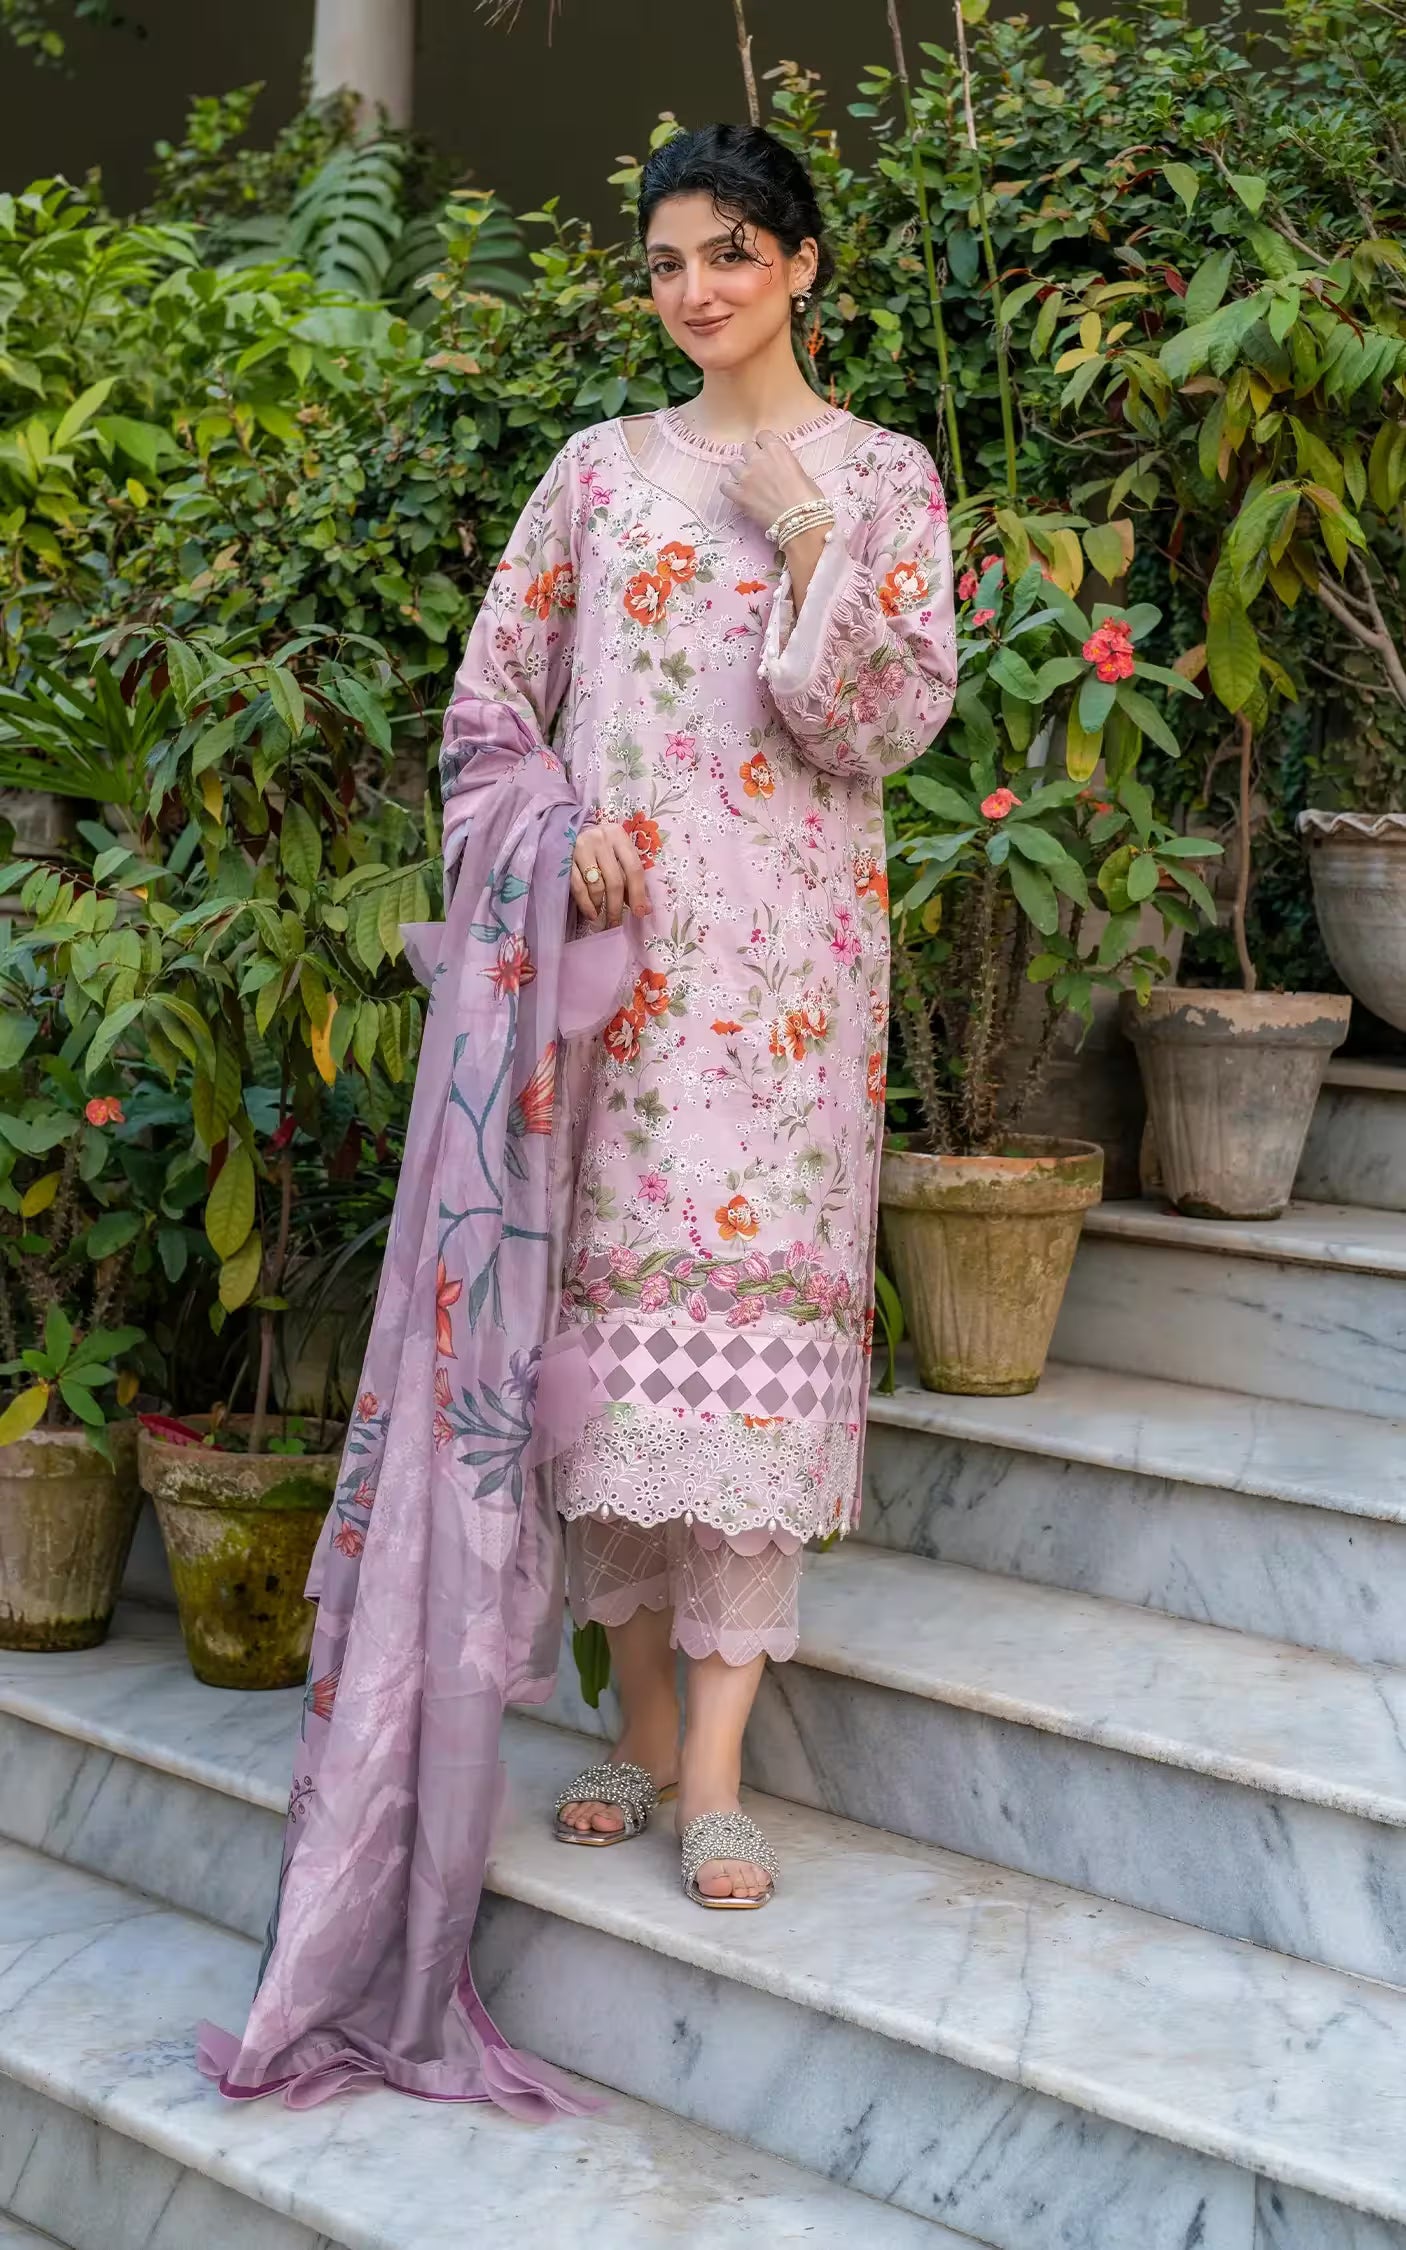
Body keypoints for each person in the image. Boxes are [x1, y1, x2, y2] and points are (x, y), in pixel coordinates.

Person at [443, 121, 957, 1909]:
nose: (695, 293)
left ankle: (719, 1769)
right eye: (666, 263)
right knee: (613, 1373)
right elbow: (490, 705)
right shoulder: (595, 472)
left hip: (793, 992)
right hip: (621, 988)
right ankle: (637, 1728)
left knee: (742, 1378)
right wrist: (559, 831)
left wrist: (807, 529)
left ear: (802, 264)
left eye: (731, 255)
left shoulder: (882, 477)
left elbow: (884, 724)